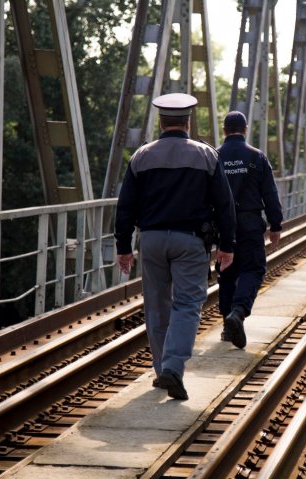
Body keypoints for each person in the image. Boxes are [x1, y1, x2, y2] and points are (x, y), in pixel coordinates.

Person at [115, 93, 236, 400]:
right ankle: (172, 368)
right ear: (188, 120)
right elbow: (225, 203)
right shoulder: (206, 155)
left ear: (161, 120)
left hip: (152, 240)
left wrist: (123, 246)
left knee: (156, 308)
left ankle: (162, 371)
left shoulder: (141, 156)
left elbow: (126, 206)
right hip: (190, 241)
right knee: (187, 304)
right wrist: (227, 244)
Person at [217, 111, 283, 349]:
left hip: (223, 224)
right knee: (253, 269)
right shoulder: (257, 157)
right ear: (245, 130)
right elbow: (270, 194)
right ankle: (238, 311)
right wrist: (275, 224)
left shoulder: (215, 156)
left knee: (226, 271)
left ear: (224, 130)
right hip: (250, 222)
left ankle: (227, 325)